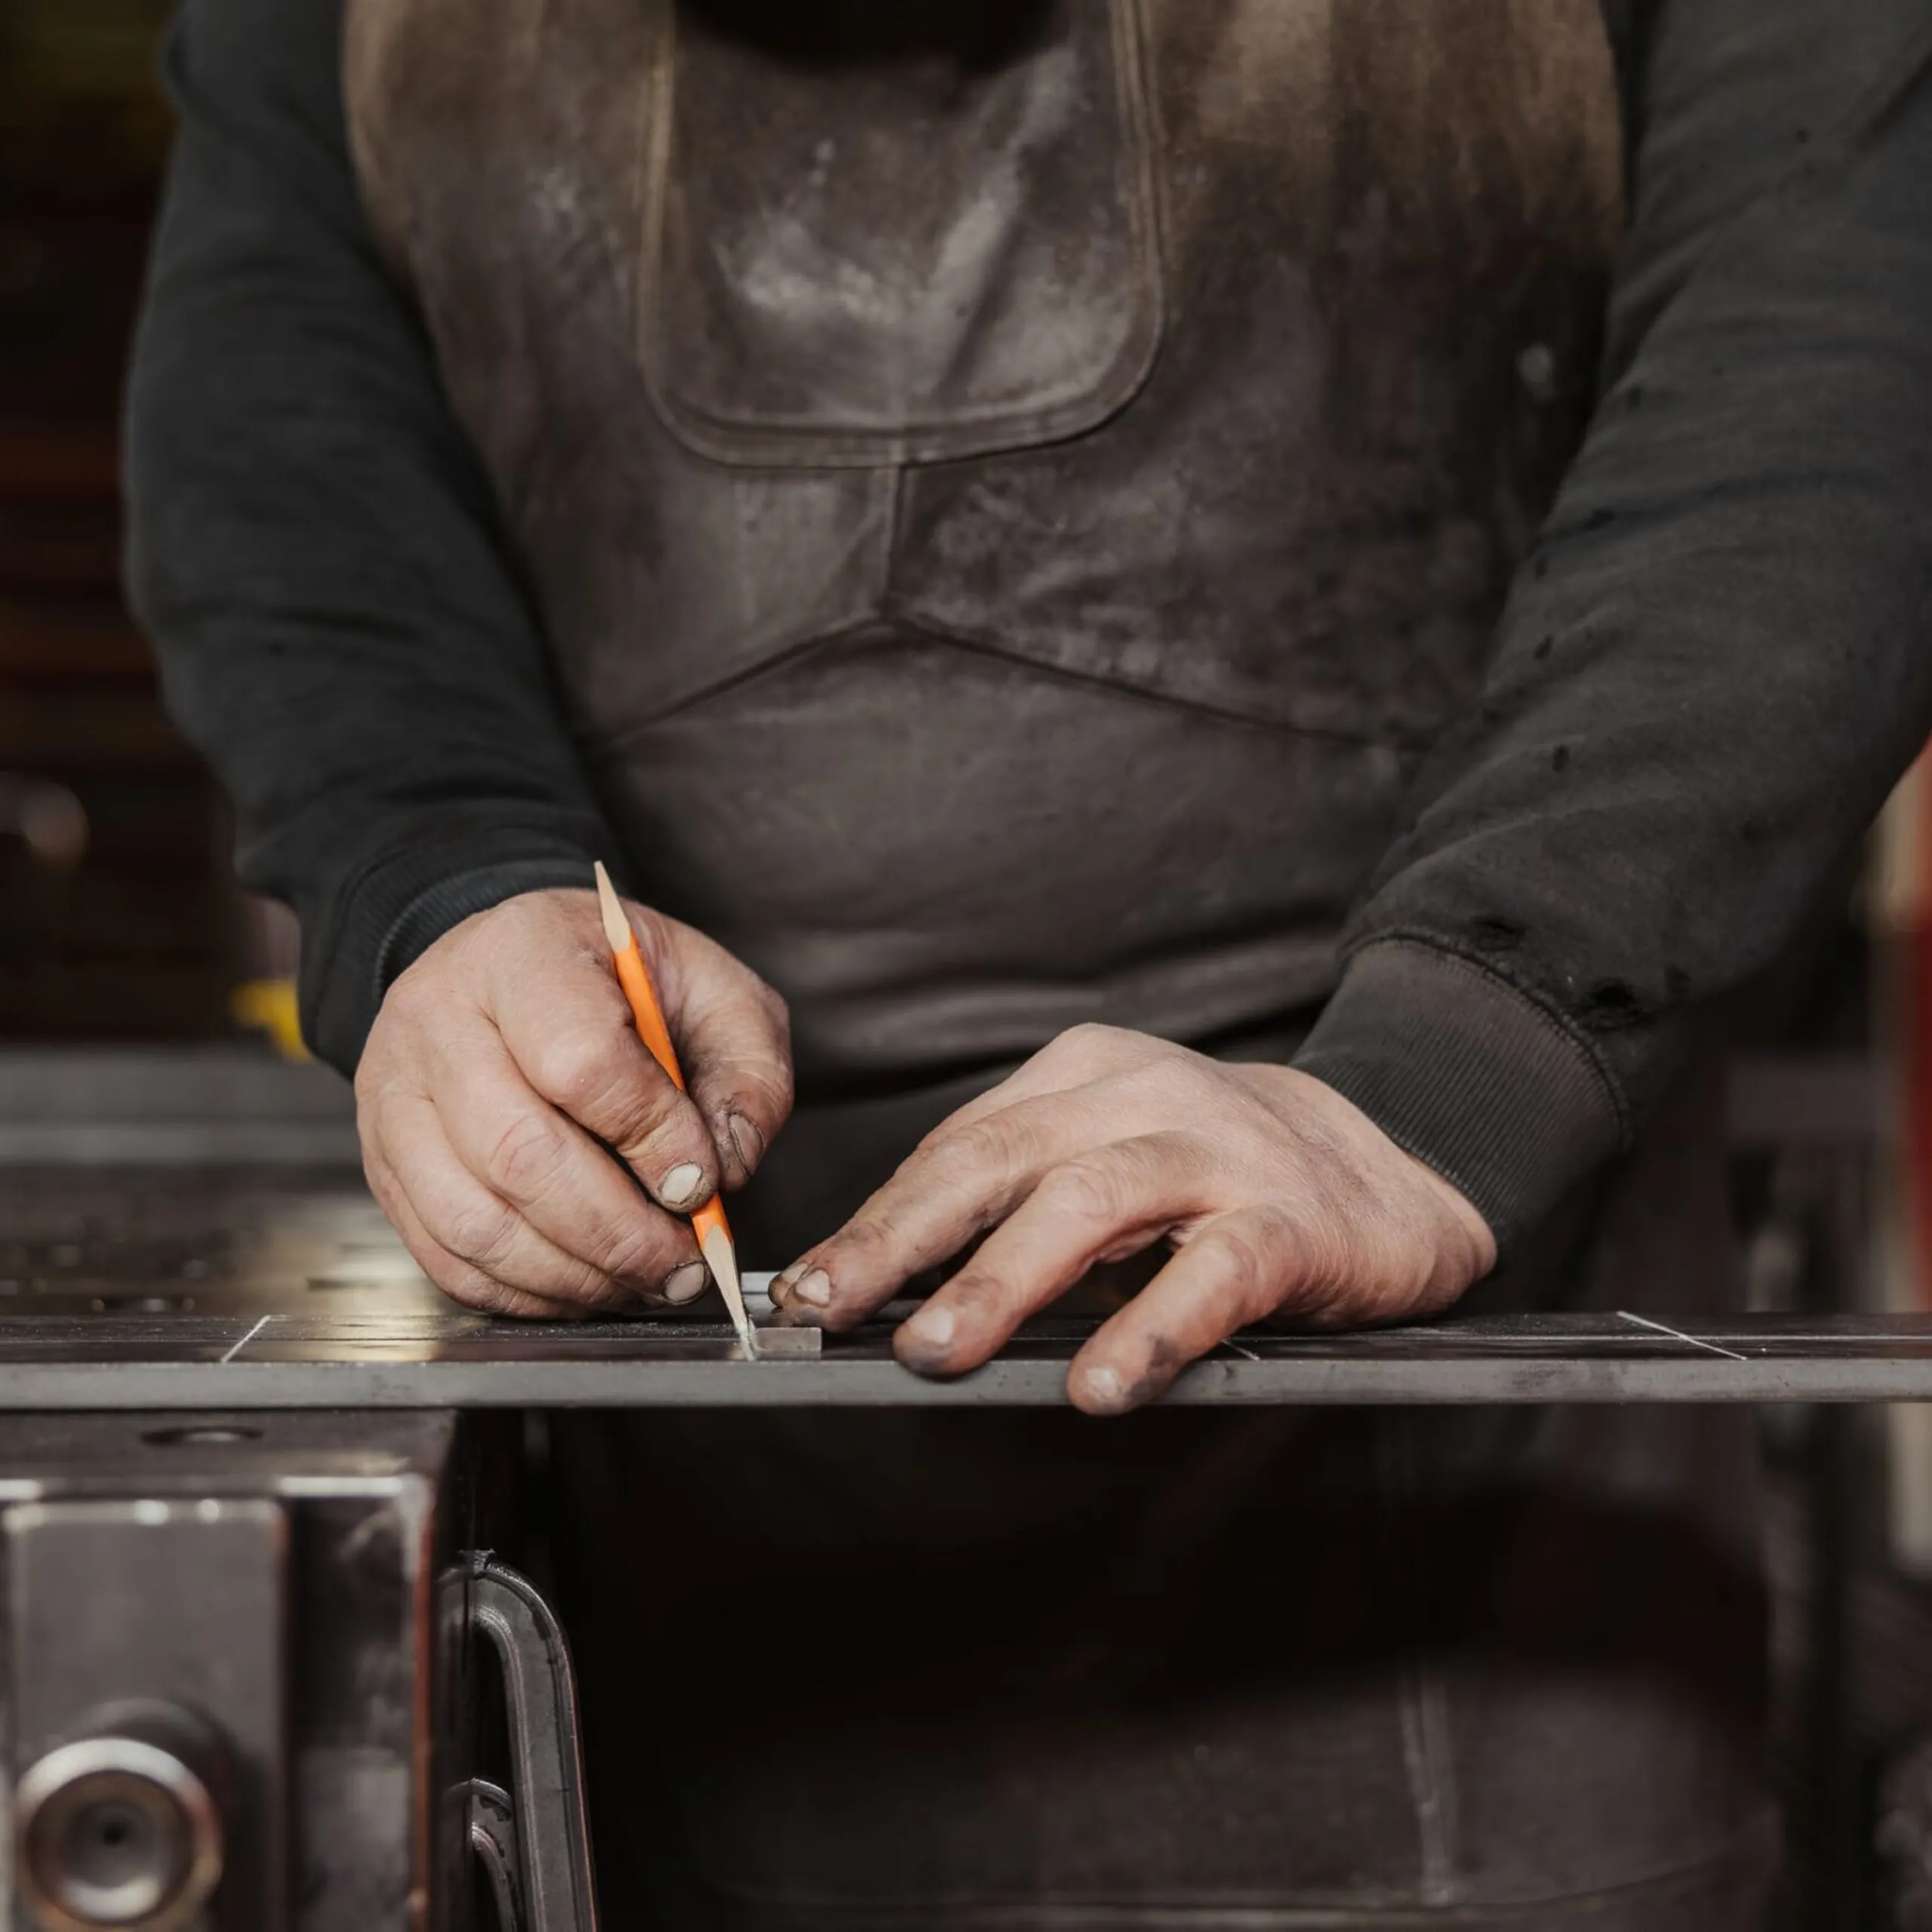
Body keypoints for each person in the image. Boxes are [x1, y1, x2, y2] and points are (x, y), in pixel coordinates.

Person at [125, 0, 1932, 1923]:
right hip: (668, 1600)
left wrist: (1436, 1075)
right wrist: (442, 884)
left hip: (1467, 1527)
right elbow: (293, 440)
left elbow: (1822, 363)